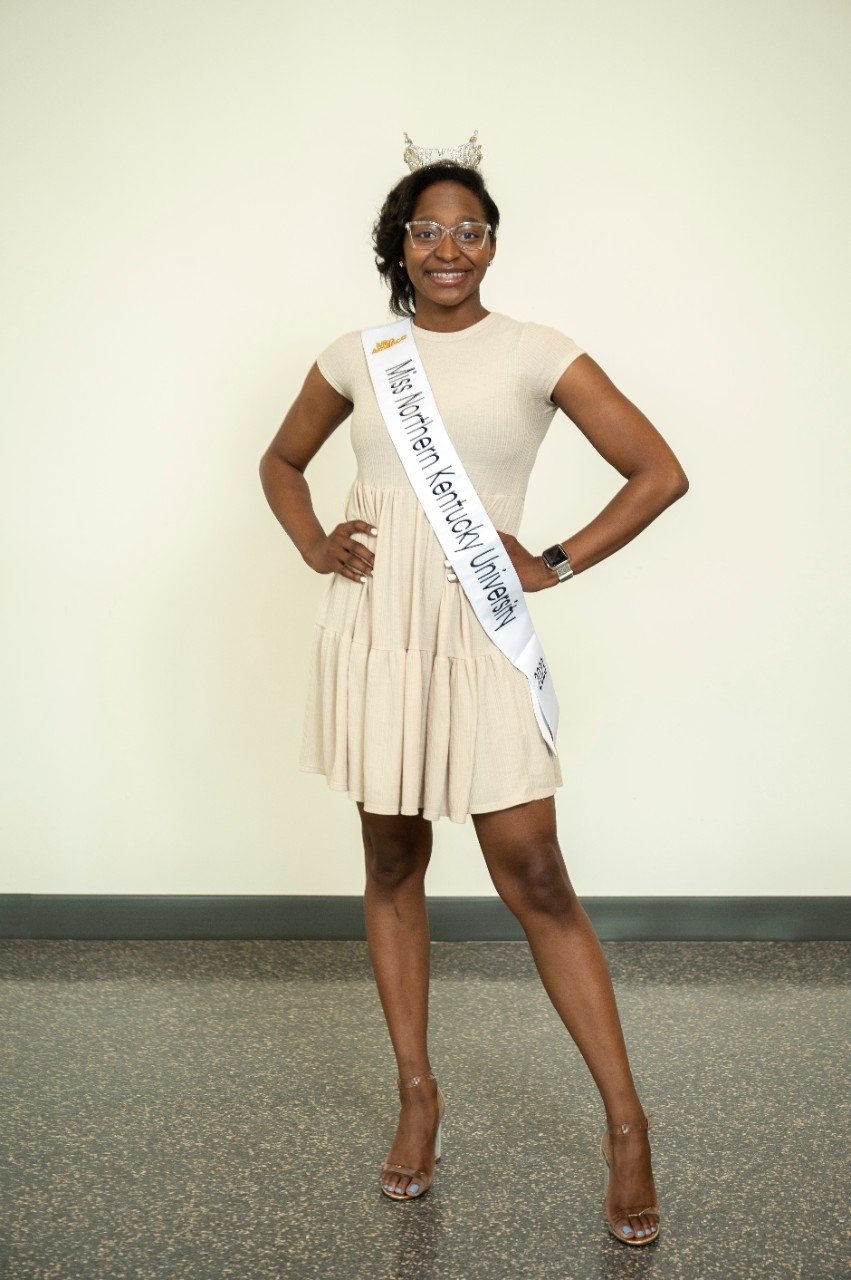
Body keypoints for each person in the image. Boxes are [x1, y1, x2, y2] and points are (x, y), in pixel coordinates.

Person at [259, 136, 688, 1247]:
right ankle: (416, 1095)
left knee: (534, 870)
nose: (447, 247)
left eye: (469, 229)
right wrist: (312, 541)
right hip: (380, 632)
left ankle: (626, 1124)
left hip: (476, 627)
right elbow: (280, 462)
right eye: (427, 230)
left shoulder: (538, 351)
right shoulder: (360, 354)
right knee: (390, 859)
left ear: (491, 245)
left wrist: (552, 561)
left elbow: (658, 472)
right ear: (397, 246)